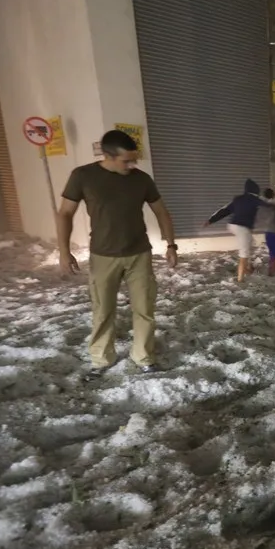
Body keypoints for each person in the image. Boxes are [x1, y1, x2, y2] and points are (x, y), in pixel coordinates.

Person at [57, 129, 178, 380]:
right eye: (126, 161)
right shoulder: (83, 176)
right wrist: (64, 251)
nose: (132, 165)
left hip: (139, 254)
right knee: (103, 310)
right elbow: (65, 213)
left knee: (144, 308)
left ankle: (144, 357)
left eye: (134, 159)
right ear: (108, 156)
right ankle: (101, 359)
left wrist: (171, 245)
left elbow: (161, 211)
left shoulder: (141, 179)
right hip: (103, 255)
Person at [204, 178, 275, 282]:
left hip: (232, 225)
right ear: (255, 190)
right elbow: (267, 204)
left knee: (250, 243)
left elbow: (224, 210)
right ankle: (240, 279)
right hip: (242, 227)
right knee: (244, 253)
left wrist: (211, 220)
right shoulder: (254, 199)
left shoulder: (238, 199)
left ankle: (248, 268)